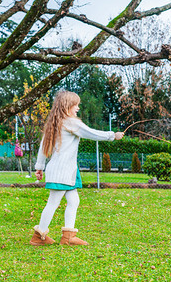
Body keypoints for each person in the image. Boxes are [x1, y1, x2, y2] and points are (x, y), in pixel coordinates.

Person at [30, 91, 124, 246]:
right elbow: (91, 133)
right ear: (67, 106)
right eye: (76, 105)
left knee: (74, 201)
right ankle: (39, 236)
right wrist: (112, 135)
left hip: (64, 171)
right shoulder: (70, 122)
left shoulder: (54, 124)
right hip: (63, 171)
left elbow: (42, 148)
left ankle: (68, 237)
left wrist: (39, 167)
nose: (78, 108)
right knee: (53, 203)